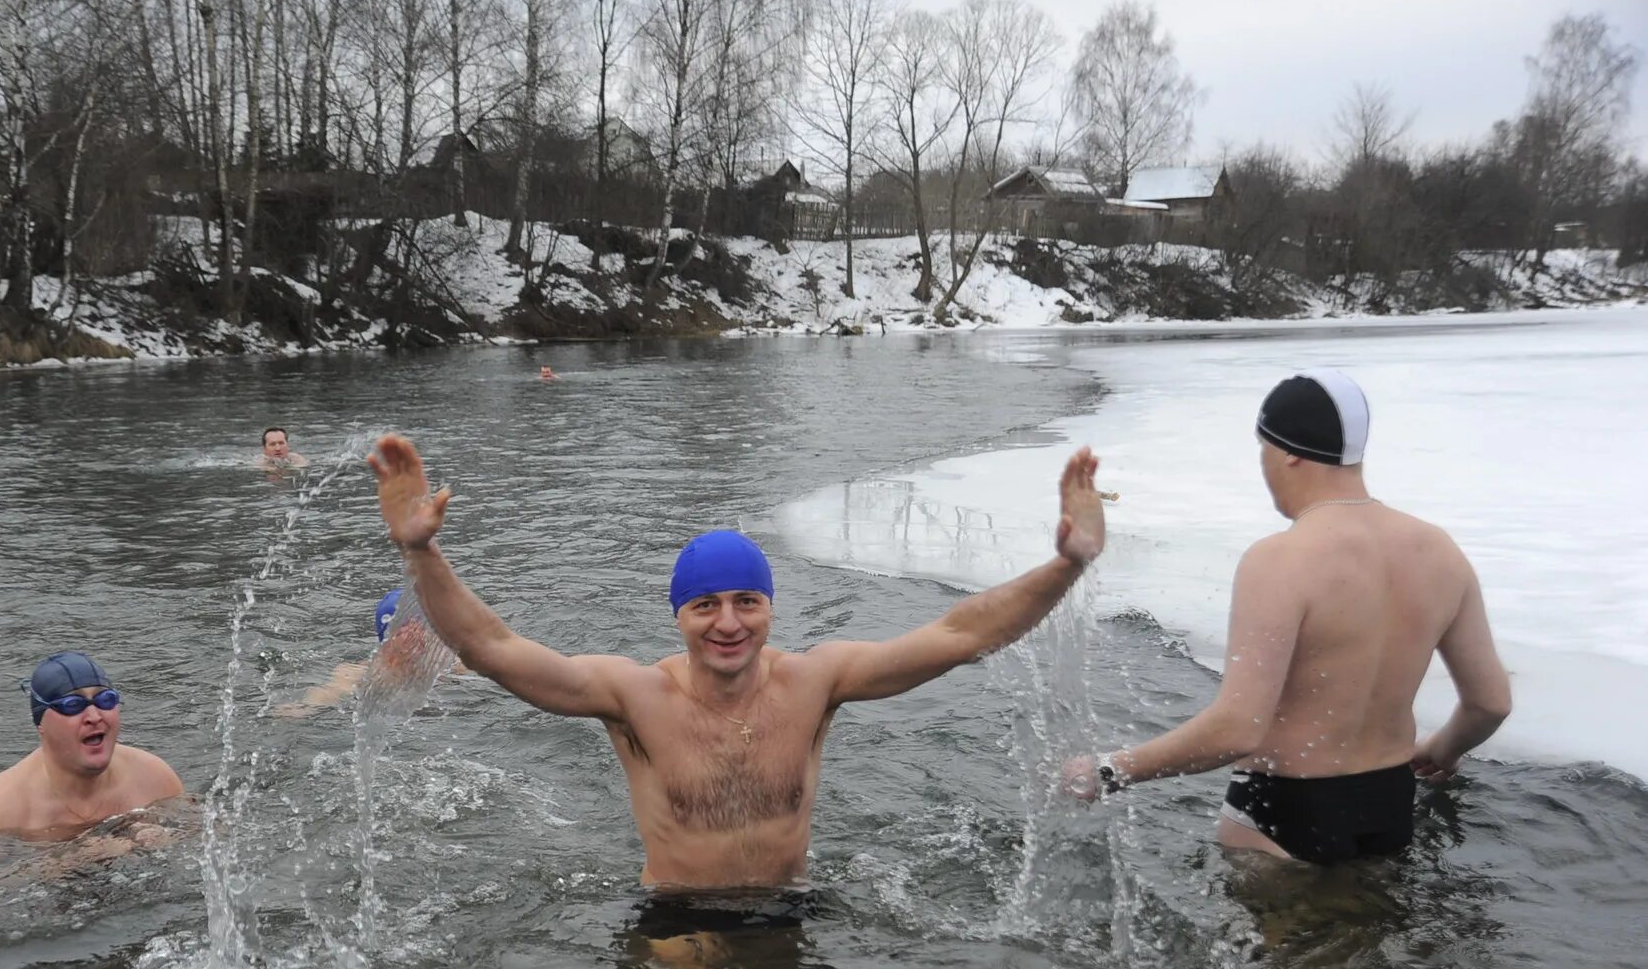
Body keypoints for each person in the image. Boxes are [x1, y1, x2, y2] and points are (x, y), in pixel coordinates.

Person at [367, 433, 1107, 889]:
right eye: (705, 605)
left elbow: (957, 635)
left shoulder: (817, 681)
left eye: (746, 602)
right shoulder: (633, 696)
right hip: (677, 922)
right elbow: (492, 649)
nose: (728, 623)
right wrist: (421, 550)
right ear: (679, 615)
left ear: (770, 607)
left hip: (792, 907)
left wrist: (1064, 567)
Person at [1064, 370, 1511, 864]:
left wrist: (1110, 770)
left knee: (1284, 938)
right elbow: (1489, 703)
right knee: (1366, 931)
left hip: (1285, 808)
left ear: (1290, 451)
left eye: (1264, 450)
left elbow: (1237, 729)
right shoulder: (1440, 552)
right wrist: (1443, 749)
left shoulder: (1280, 559)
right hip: (1389, 804)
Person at [0, 652, 185, 843]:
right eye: (73, 705)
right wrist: (77, 857)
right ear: (41, 724)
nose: (94, 716)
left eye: (105, 700)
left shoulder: (154, 778)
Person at [276, 589, 465, 717]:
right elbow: (330, 691)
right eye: (407, 629)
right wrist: (305, 708)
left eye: (424, 625)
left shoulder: (448, 664)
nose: (420, 634)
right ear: (389, 635)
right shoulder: (362, 672)